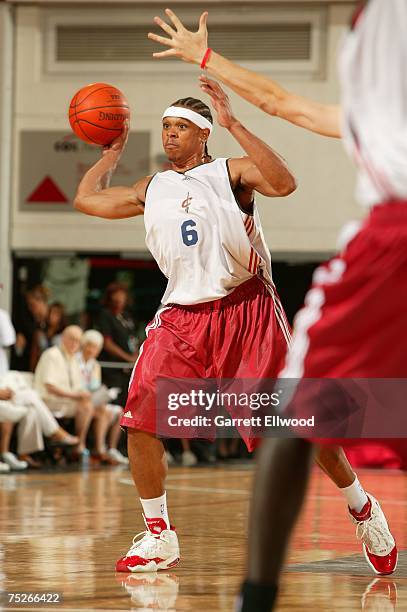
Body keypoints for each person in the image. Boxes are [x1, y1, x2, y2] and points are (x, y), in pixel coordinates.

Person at [149, 1, 405, 607]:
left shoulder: (380, 43)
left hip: (388, 243)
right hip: (192, 313)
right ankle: (355, 514)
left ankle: (257, 595)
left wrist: (206, 58)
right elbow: (284, 105)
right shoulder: (162, 185)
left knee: (294, 417)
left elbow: (281, 109)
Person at [74, 85, 296, 571]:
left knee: (290, 430)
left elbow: (284, 183)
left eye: (180, 128)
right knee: (139, 422)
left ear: (203, 134)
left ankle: (361, 509)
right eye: (166, 128)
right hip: (181, 315)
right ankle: (159, 535)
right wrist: (111, 153)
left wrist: (235, 122)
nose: (170, 135)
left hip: (246, 307)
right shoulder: (152, 187)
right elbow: (87, 200)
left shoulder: (230, 172)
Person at [34, 325, 102, 457]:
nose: (74, 344)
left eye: (78, 341)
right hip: (48, 400)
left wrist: (83, 394)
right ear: (63, 338)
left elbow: (77, 386)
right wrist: (77, 395)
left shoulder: (71, 358)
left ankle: (82, 444)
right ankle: (78, 444)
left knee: (94, 406)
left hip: (65, 401)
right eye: (72, 339)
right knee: (86, 407)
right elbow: (50, 387)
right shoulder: (52, 354)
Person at [77, 329, 129, 465]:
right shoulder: (75, 361)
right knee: (102, 411)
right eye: (90, 346)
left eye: (96, 348)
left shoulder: (95, 365)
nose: (92, 350)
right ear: (84, 345)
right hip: (79, 399)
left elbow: (95, 386)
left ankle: (111, 448)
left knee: (119, 411)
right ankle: (99, 449)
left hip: (92, 399)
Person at [97, 283, 139, 407]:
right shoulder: (105, 315)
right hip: (113, 369)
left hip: (129, 370)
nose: (119, 302)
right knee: (115, 404)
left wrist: (136, 356)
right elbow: (107, 343)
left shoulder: (126, 316)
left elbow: (133, 339)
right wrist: (128, 358)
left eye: (122, 298)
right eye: (116, 299)